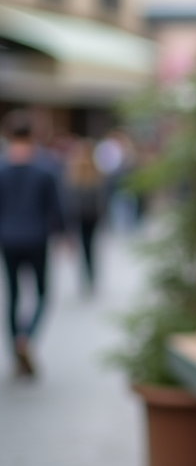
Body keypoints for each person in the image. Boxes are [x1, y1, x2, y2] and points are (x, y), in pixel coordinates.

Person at [0, 110, 65, 377]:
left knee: (13, 295)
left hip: (8, 237)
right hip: (37, 237)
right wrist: (63, 235)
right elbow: (56, 207)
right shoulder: (46, 167)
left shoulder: (2, 168)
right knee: (41, 294)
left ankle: (17, 349)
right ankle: (26, 337)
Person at [63, 137, 105, 293]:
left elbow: (69, 197)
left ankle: (86, 277)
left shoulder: (74, 172)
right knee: (90, 246)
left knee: (83, 246)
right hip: (91, 215)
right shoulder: (95, 171)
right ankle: (90, 276)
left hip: (80, 215)